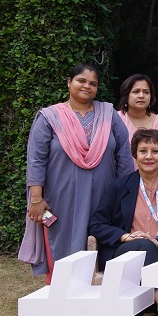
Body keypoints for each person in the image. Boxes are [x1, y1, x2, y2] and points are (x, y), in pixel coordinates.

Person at [20, 63, 134, 276]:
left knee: (102, 247)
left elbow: (124, 157)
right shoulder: (49, 117)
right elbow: (36, 160)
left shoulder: (109, 114)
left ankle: (97, 305)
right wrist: (36, 199)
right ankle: (64, 303)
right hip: (60, 200)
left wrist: (125, 196)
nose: (87, 86)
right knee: (63, 248)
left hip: (104, 198)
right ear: (69, 82)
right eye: (81, 81)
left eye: (93, 83)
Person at [87, 128, 158, 316]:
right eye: (143, 151)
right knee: (143, 245)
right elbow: (96, 224)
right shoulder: (119, 186)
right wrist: (124, 236)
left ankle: (142, 312)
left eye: (155, 151)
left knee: (148, 245)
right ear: (135, 155)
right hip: (124, 253)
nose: (149, 156)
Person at [115, 73, 158, 175]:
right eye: (136, 91)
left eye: (146, 92)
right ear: (126, 95)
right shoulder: (116, 120)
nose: (141, 96)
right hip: (124, 183)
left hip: (156, 184)